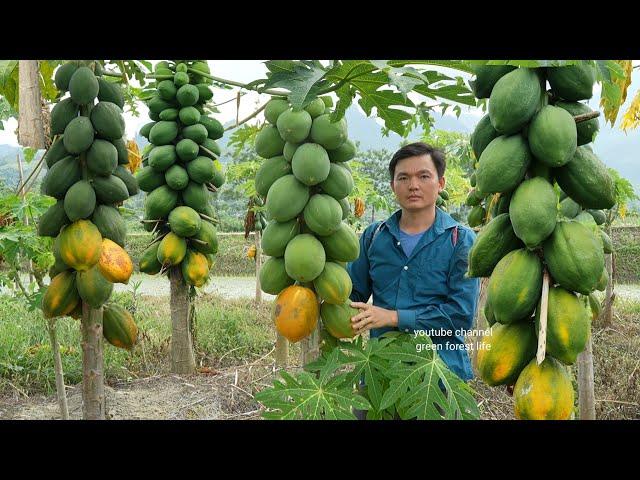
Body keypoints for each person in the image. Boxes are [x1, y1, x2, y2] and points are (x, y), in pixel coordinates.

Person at [347, 142, 480, 382]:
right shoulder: (374, 236)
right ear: (392, 185)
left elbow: (459, 316)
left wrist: (394, 317)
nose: (413, 185)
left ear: (440, 184)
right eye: (404, 178)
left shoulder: (461, 240)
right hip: (381, 374)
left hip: (439, 377)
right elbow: (352, 294)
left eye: (423, 176)